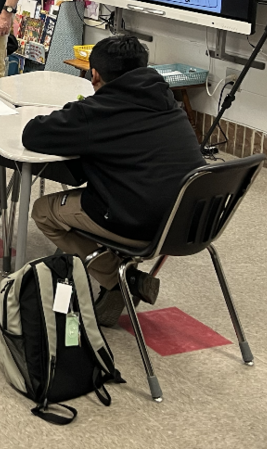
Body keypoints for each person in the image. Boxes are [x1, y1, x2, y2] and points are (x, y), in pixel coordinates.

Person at [22, 35, 207, 327]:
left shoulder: (97, 112)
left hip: (140, 223)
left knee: (43, 211)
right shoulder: (167, 101)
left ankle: (120, 277)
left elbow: (33, 134)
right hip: (191, 223)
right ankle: (122, 275)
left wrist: (75, 111)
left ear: (94, 74)